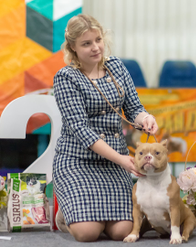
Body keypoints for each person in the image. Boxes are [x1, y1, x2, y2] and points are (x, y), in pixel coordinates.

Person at [53, 14, 158, 242]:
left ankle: (87, 215)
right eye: (86, 43)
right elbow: (81, 130)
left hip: (113, 165)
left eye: (98, 40)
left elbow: (134, 108)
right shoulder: (66, 77)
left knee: (123, 232)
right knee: (87, 234)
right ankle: (65, 216)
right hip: (77, 162)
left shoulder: (116, 66)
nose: (95, 48)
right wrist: (122, 159)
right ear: (72, 46)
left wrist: (146, 118)